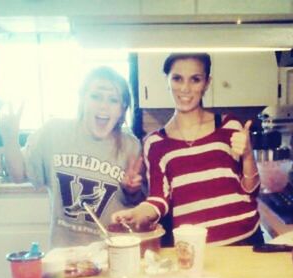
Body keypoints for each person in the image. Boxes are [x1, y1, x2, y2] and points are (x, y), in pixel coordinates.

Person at [111, 52, 263, 246]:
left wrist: (248, 155)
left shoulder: (229, 126)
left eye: (195, 79)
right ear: (167, 81)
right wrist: (139, 212)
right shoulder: (155, 143)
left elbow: (251, 190)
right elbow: (159, 198)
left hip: (246, 242)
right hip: (194, 249)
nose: (185, 88)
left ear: (207, 83)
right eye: (177, 78)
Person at [0, 66, 144, 248]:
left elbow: (137, 208)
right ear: (82, 99)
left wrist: (132, 191)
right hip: (64, 255)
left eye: (113, 100)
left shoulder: (131, 146)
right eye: (95, 96)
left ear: (122, 110)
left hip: (111, 253)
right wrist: (9, 138)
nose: (104, 106)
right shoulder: (53, 132)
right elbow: (18, 175)